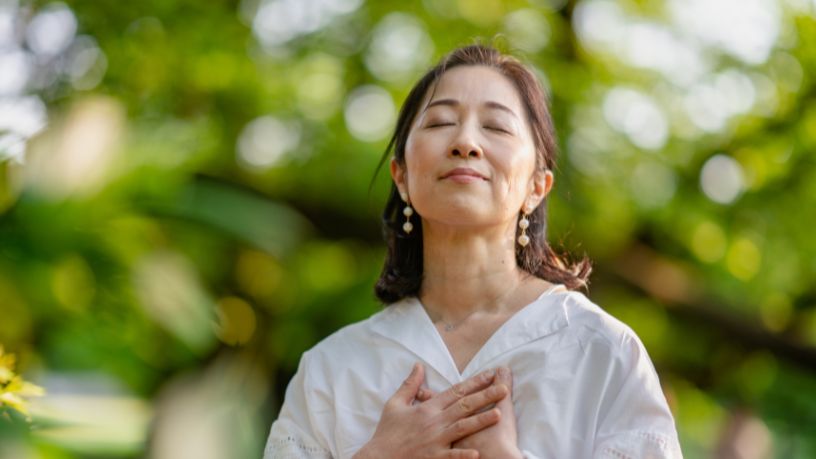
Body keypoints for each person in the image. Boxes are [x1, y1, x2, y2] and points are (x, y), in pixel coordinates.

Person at [264, 44, 682, 459]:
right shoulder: (332, 369)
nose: (465, 142)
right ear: (402, 176)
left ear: (537, 187)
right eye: (441, 122)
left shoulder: (601, 352)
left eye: (496, 128)